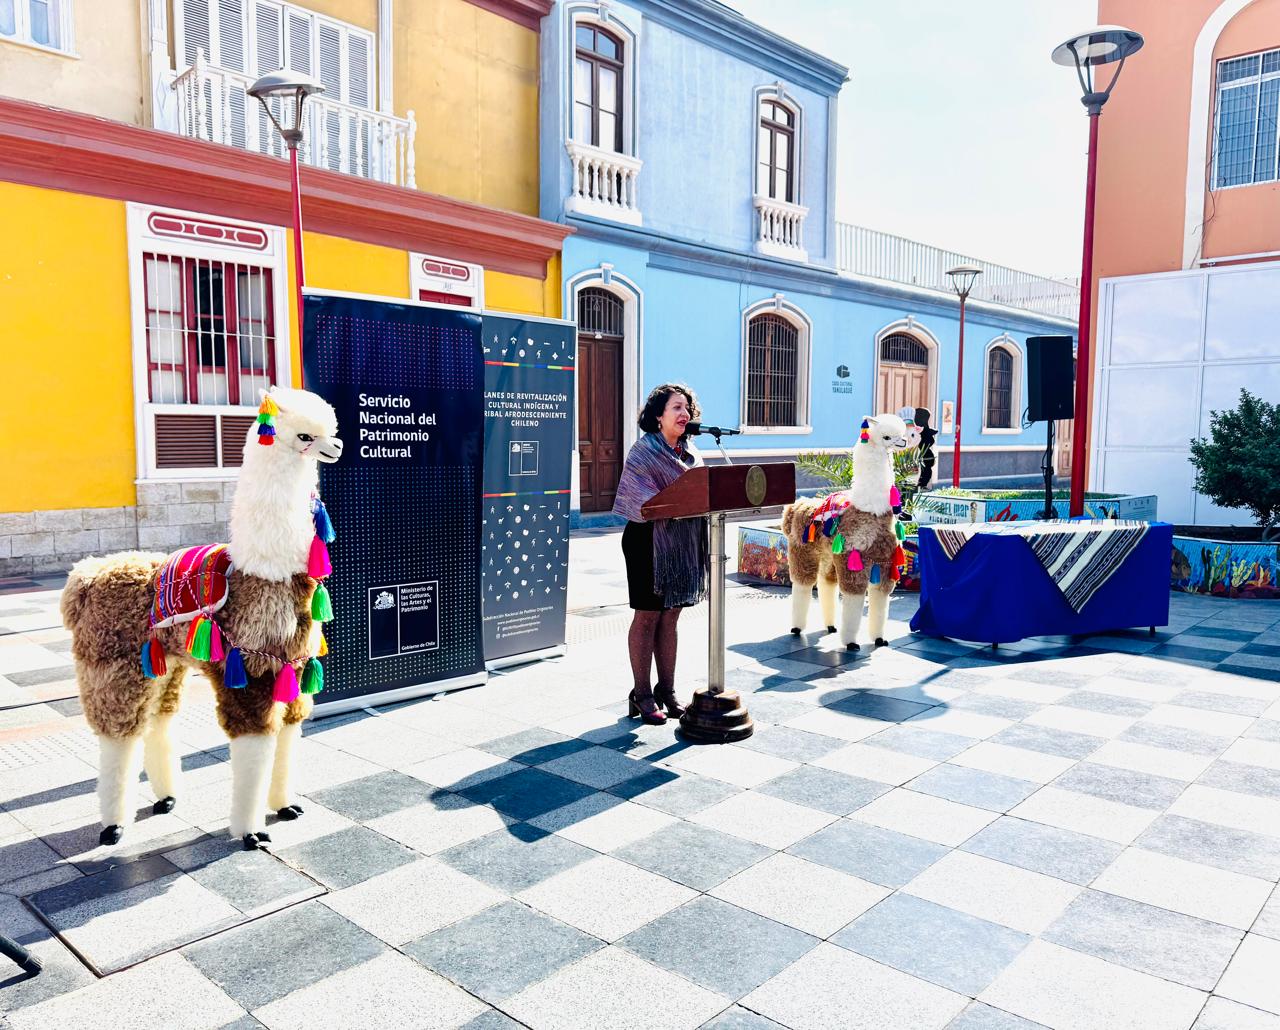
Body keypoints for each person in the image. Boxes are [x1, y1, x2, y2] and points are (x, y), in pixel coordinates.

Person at [612, 383, 710, 724]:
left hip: (680, 543)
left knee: (671, 616)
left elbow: (702, 492)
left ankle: (666, 690)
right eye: (676, 408)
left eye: (687, 408)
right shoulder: (644, 451)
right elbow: (642, 501)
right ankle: (641, 694)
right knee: (648, 616)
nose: (685, 414)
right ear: (658, 416)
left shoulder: (691, 452)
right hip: (647, 541)